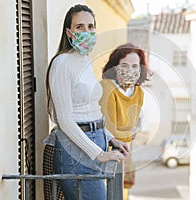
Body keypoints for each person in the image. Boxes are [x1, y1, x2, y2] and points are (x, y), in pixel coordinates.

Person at [44, 4, 129, 200]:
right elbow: (64, 121)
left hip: (96, 140)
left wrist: (109, 138)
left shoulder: (85, 60)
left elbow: (91, 109)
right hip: (75, 151)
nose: (87, 31)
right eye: (80, 27)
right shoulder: (62, 63)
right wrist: (99, 154)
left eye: (91, 27)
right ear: (69, 32)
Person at [99, 43, 150, 198]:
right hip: (100, 153)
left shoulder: (139, 92)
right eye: (124, 65)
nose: (130, 70)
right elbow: (109, 129)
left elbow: (130, 127)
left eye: (135, 66)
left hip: (120, 154)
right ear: (115, 67)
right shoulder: (106, 87)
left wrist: (126, 133)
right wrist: (130, 133)